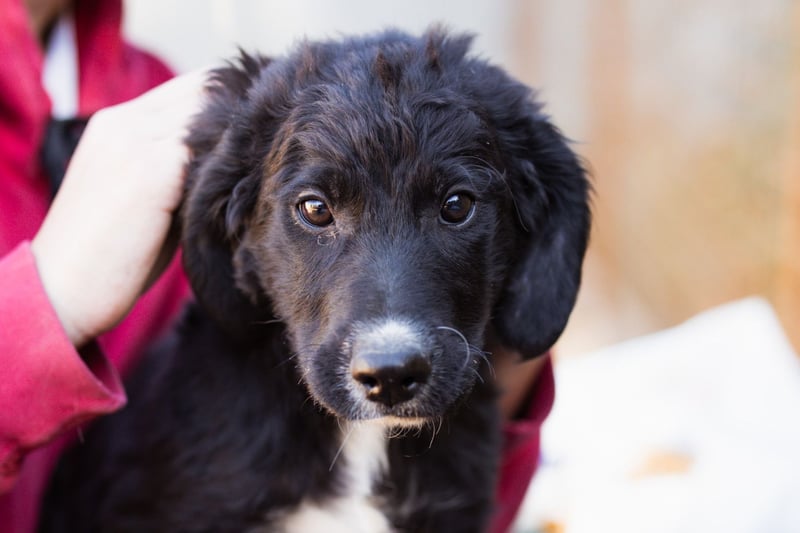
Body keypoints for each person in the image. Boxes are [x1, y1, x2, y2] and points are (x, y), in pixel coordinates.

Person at [0, 0, 553, 531]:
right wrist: (49, 302)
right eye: (316, 210)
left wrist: (523, 341)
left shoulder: (161, 105)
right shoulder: (181, 129)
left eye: (456, 208)